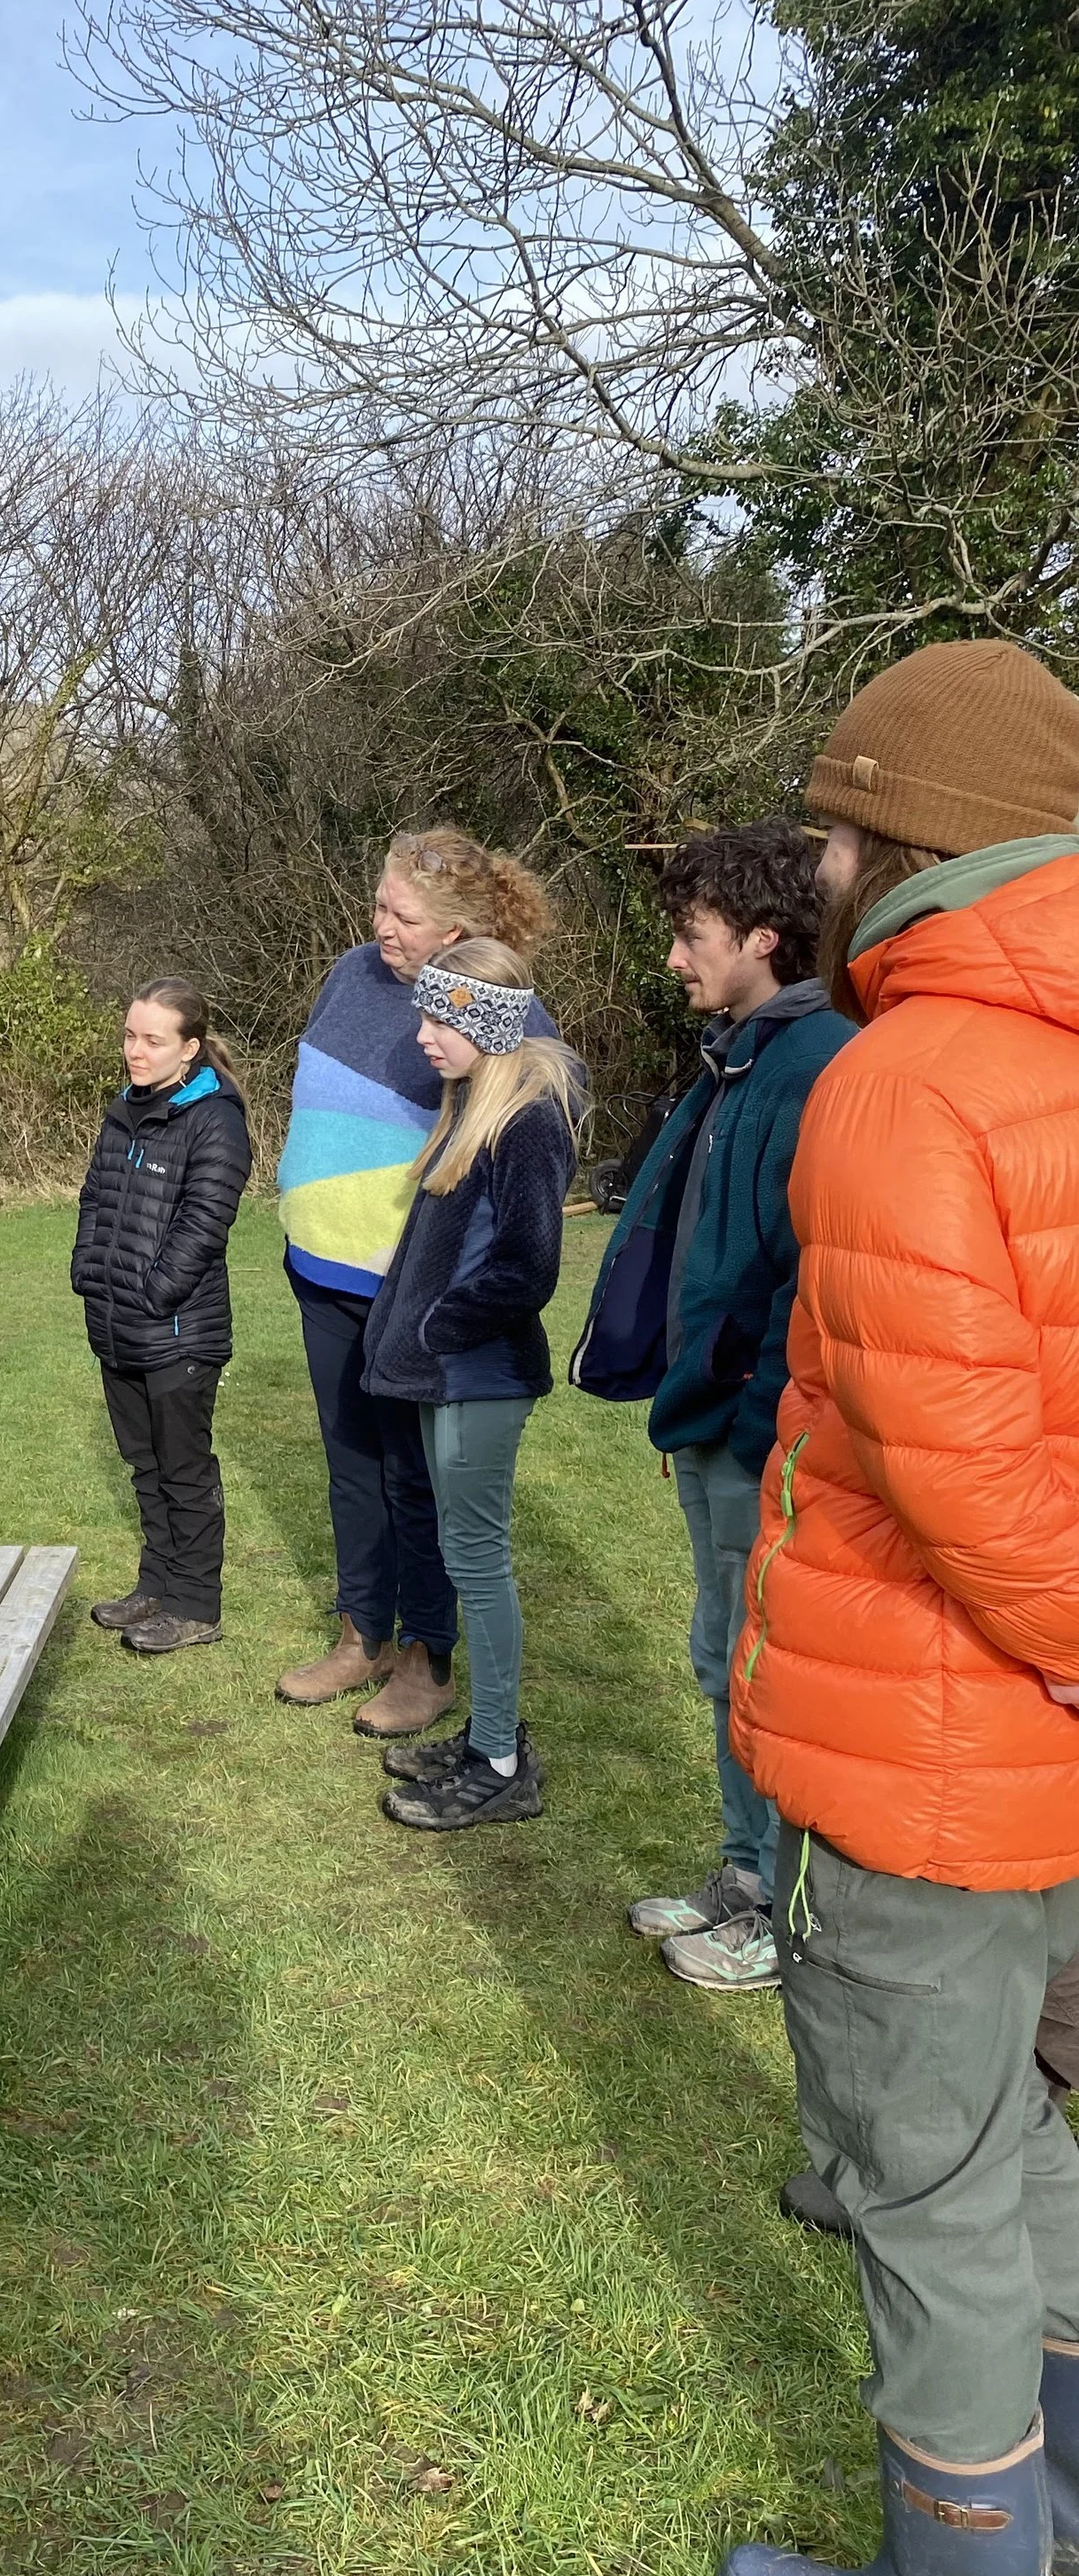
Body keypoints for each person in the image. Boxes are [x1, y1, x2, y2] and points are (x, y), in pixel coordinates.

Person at [712, 639, 1079, 2576]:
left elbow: (976, 1490)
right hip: (1033, 1753)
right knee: (1022, 2145)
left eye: (842, 831)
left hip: (939, 1756)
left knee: (926, 2187)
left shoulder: (909, 1081)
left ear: (921, 843)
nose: (822, 867)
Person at [573, 825, 854, 1993]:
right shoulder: (735, 1058)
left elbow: (808, 1272)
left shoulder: (821, 1063)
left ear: (760, 938)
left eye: (692, 938)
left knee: (758, 1671)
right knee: (715, 1657)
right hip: (710, 1423)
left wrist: (747, 1426)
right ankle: (742, 1872)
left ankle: (778, 1915)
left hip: (757, 1436)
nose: (676, 960)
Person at [274, 830, 558, 1739]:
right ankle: (362, 1631)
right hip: (321, 1270)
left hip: (408, 1295)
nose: (379, 924)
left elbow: (520, 1123)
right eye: (378, 903)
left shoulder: (497, 1012)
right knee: (350, 1465)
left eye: (402, 914)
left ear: (457, 933)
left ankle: (427, 1658)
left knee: (414, 1479)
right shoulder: (351, 972)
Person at [358, 940, 582, 1831]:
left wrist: (436, 1328)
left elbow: (528, 1269)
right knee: (463, 1556)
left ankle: (498, 1759)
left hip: (478, 1379)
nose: (420, 1036)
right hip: (448, 1375)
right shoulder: (468, 1112)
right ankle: (488, 1736)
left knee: (478, 1566)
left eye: (437, 1017)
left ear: (484, 1023)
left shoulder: (527, 1121)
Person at [71, 979, 253, 1655]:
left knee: (184, 1469)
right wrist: (87, 1272)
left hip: (177, 1330)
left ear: (190, 1048)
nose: (135, 1051)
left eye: (152, 1039)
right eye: (129, 1035)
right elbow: (95, 1197)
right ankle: (157, 1584)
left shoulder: (215, 1118)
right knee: (144, 1465)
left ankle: (196, 1603)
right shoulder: (122, 1109)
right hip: (116, 1325)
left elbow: (206, 1222)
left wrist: (154, 1292)